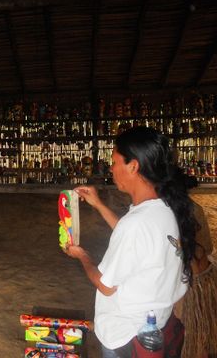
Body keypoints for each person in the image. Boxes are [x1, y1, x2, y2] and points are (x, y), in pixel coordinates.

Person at [65, 127, 197, 357]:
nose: (111, 168)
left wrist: (82, 256)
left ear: (133, 166)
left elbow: (106, 286)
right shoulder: (163, 209)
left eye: (115, 162)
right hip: (155, 327)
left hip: (127, 336)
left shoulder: (136, 224)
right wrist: (98, 204)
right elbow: (137, 241)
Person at [174, 176, 217, 357]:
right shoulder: (192, 208)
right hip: (201, 279)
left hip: (195, 286)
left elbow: (202, 252)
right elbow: (207, 249)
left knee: (197, 342)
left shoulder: (173, 213)